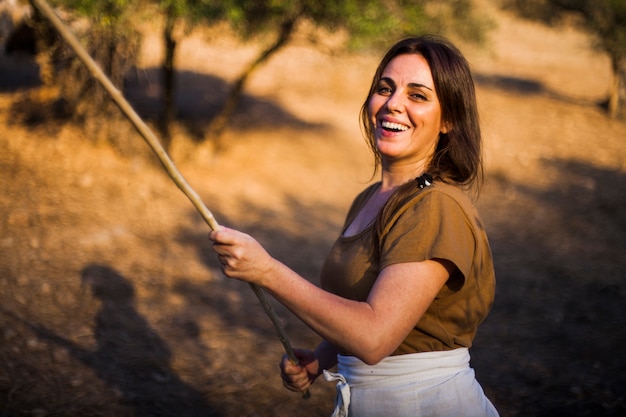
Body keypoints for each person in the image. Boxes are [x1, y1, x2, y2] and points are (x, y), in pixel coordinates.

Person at [209, 34, 499, 417]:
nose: (393, 104)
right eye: (385, 88)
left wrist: (266, 272)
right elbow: (370, 305)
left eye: (417, 95)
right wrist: (322, 358)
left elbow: (375, 337)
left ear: (448, 119)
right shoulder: (370, 200)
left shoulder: (436, 206)